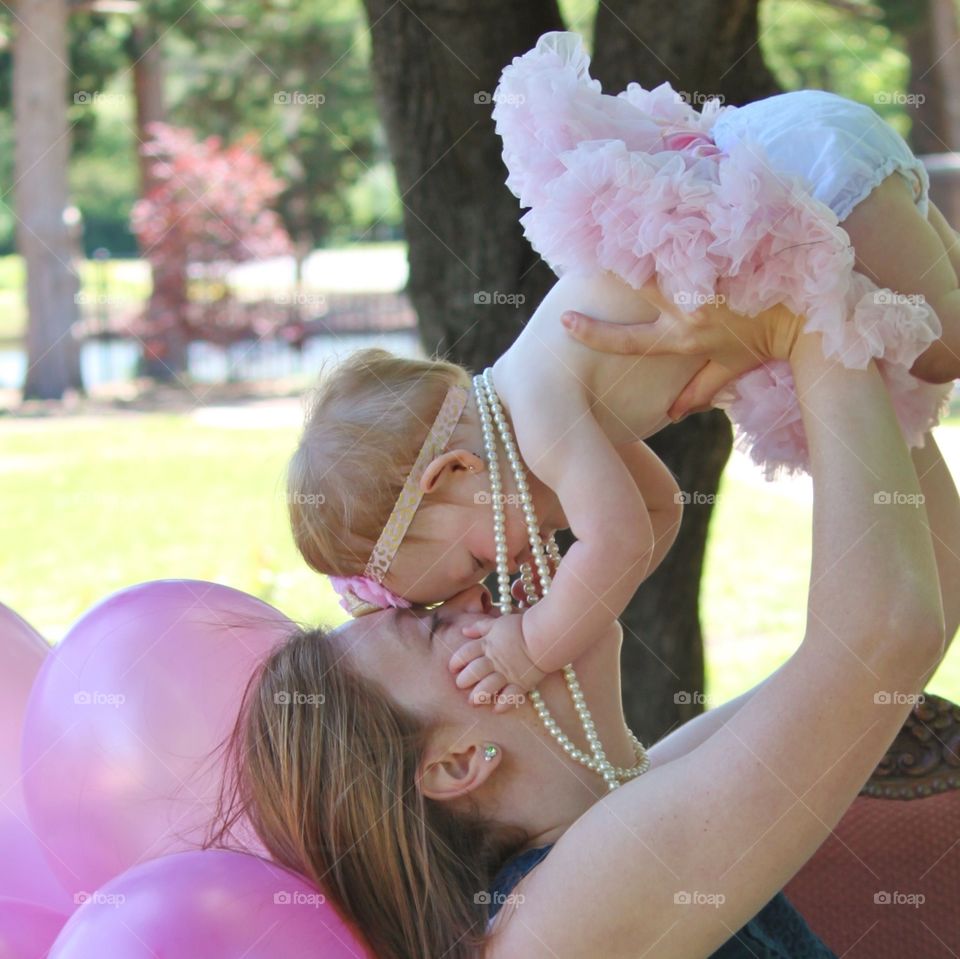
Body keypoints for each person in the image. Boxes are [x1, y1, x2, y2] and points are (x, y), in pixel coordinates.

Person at [208, 305, 957, 958]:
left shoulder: (616, 797)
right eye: (439, 629)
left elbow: (927, 593)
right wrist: (812, 319)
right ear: (457, 762)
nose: (484, 596)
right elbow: (886, 633)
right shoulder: (561, 915)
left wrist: (831, 352)